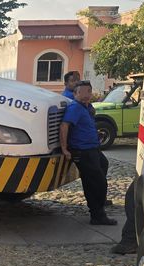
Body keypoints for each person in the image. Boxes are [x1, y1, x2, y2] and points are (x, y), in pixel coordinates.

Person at [60, 80, 117, 225]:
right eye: (82, 92)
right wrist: (65, 148)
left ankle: (99, 206)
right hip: (83, 150)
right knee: (95, 182)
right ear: (76, 94)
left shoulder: (86, 107)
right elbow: (64, 126)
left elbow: (84, 126)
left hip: (93, 148)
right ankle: (97, 215)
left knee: (103, 166)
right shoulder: (75, 108)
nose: (86, 95)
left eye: (88, 92)